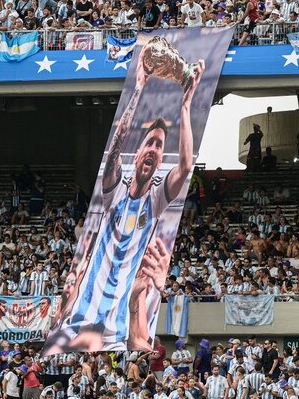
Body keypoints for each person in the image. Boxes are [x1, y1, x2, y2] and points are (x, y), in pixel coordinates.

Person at [47, 43, 205, 354]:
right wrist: (139, 88)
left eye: (160, 147)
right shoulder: (113, 190)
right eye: (150, 143)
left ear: (160, 161)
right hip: (83, 320)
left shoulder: (157, 200)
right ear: (139, 153)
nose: (155, 149)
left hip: (119, 327)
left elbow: (186, 165)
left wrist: (185, 106)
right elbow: (115, 149)